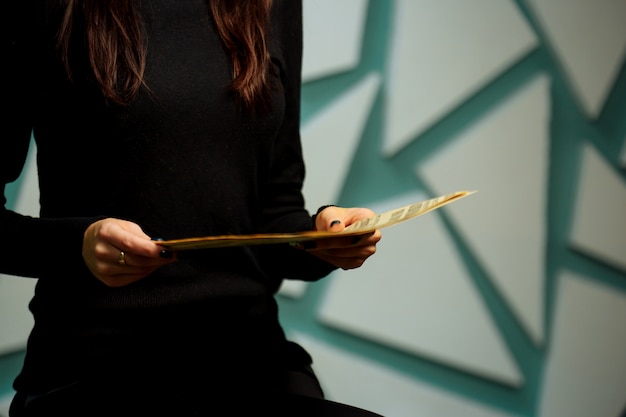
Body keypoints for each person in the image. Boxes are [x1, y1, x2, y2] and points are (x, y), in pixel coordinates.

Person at [1, 0, 383, 416]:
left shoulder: (272, 5)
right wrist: (79, 244)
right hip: (92, 370)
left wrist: (322, 238)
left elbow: (277, 211)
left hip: (253, 363)